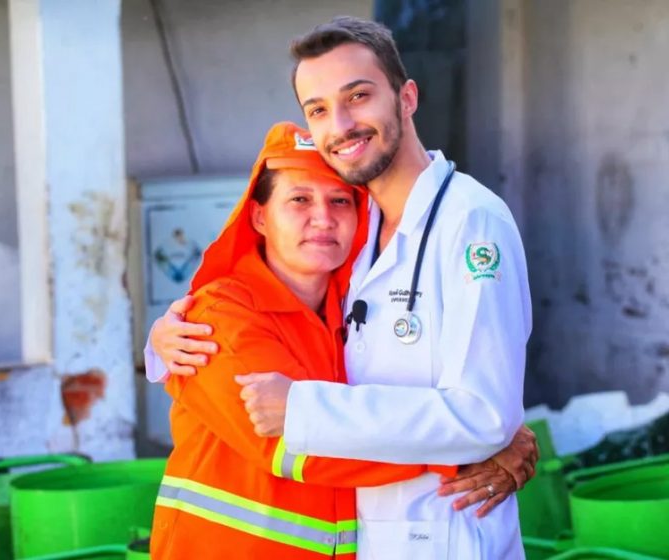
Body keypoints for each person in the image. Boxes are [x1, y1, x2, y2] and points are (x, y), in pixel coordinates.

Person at [148, 17, 535, 560]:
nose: (343, 124)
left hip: (452, 537)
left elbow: (484, 412)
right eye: (320, 109)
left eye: (359, 96)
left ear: (407, 98)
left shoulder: (471, 224)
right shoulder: (354, 254)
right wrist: (158, 342)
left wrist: (498, 433)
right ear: (259, 219)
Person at [152, 121, 476, 559]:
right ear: (260, 216)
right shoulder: (217, 319)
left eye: (340, 200)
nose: (323, 218)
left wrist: (489, 425)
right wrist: (468, 449)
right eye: (299, 199)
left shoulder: (359, 309)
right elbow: (303, 447)